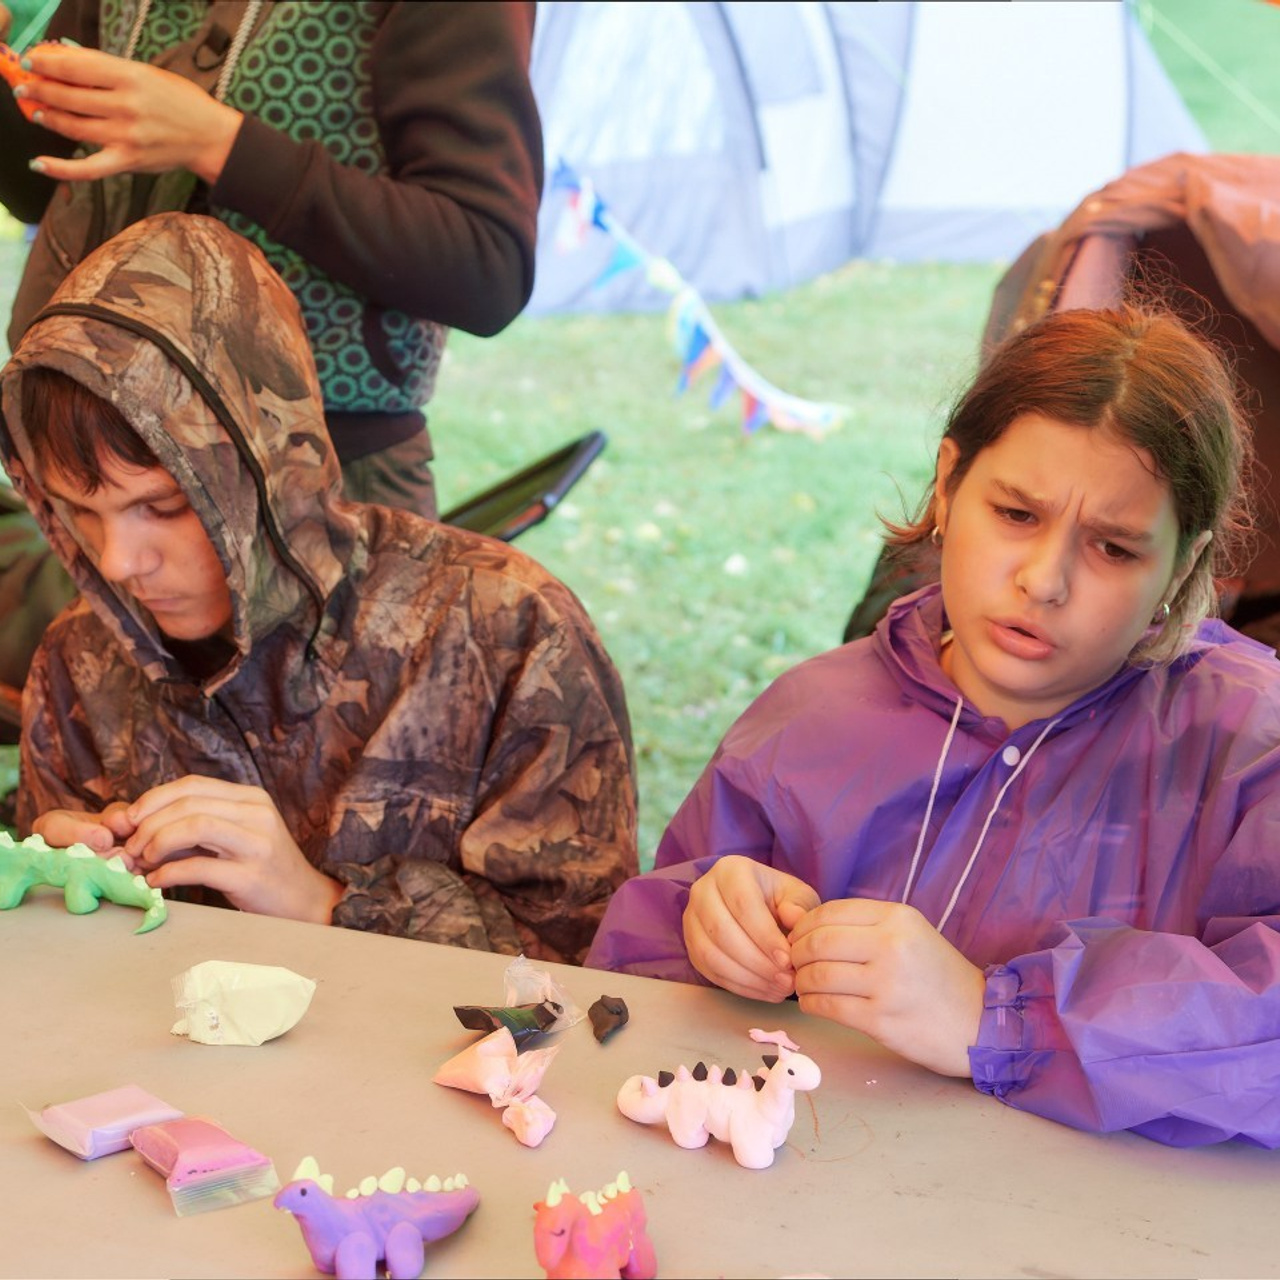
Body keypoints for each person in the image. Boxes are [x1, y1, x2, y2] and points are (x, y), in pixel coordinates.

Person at [586, 303, 1280, 1147]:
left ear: (1185, 561)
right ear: (949, 485)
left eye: (1114, 548)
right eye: (1017, 514)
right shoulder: (806, 724)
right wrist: (709, 931)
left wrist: (996, 1018)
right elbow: (635, 988)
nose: (1044, 580)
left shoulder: (1249, 746)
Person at [0, 211, 637, 964]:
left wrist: (319, 904)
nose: (117, 563)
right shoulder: (80, 662)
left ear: (267, 470)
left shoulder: (507, 632)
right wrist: (52, 888)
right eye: (80, 513)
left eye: (163, 508)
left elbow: (592, 959)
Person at [0, 0, 543, 517]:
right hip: (93, 460)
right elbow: (40, 183)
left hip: (308, 483)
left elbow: (486, 267)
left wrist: (220, 144)